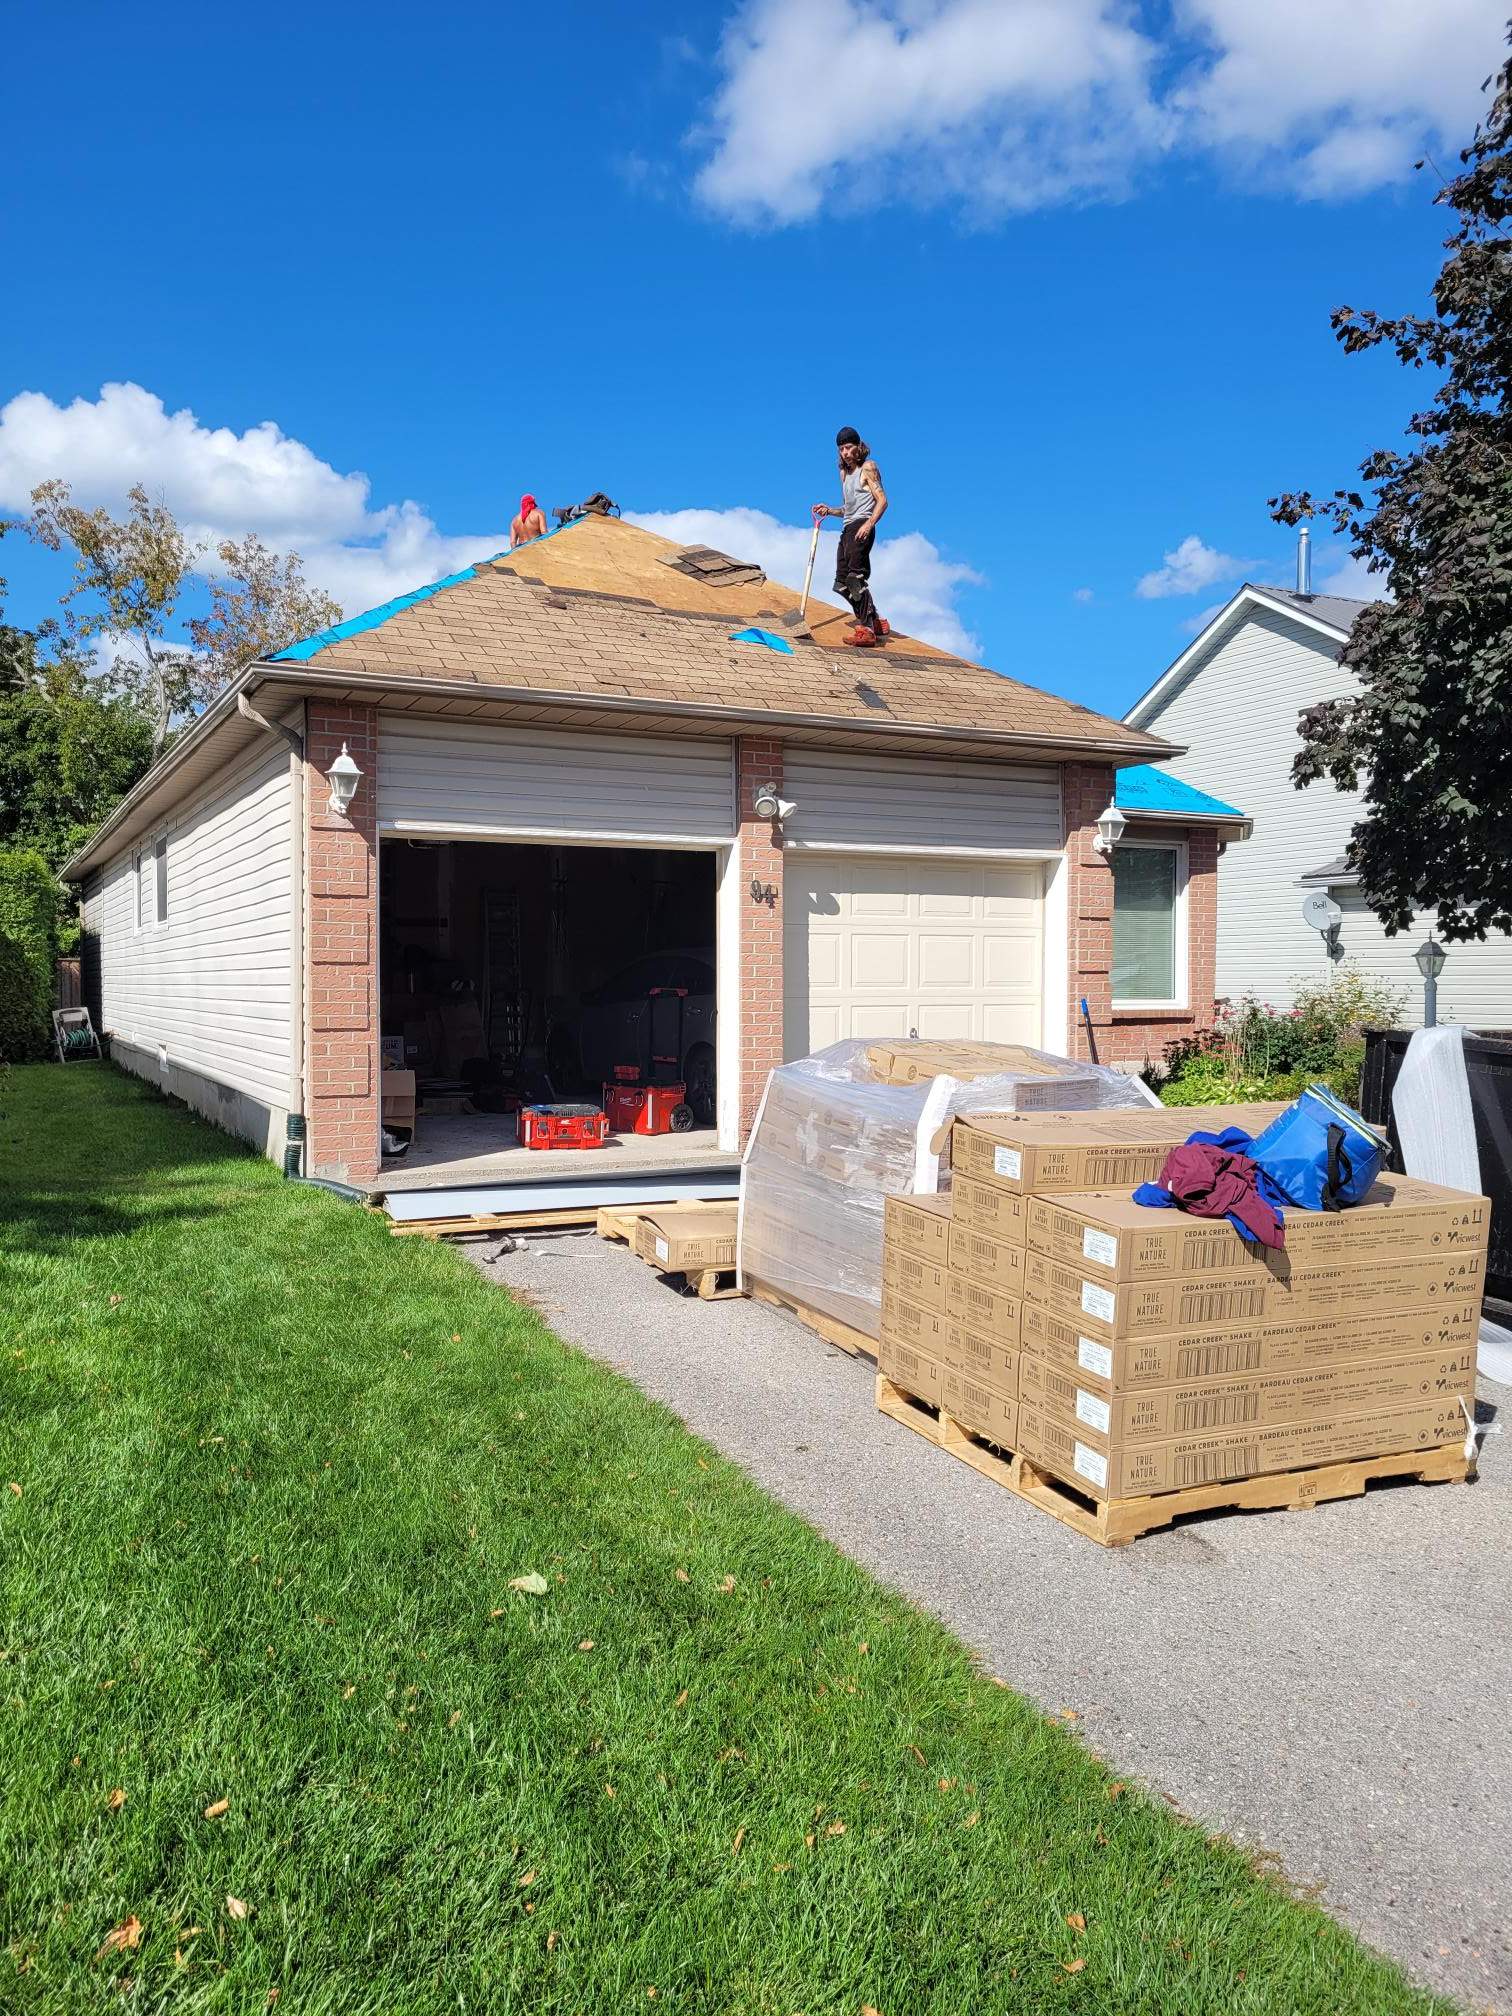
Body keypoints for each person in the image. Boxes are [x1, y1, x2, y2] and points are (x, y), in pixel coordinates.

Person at [813, 427, 889, 644]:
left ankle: (867, 630)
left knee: (855, 578)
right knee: (841, 583)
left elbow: (882, 501)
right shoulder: (844, 474)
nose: (845, 452)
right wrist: (829, 510)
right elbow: (848, 508)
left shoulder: (869, 467)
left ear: (858, 447)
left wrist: (869, 524)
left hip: (862, 526)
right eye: (841, 449)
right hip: (847, 528)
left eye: (848, 447)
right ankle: (874, 618)